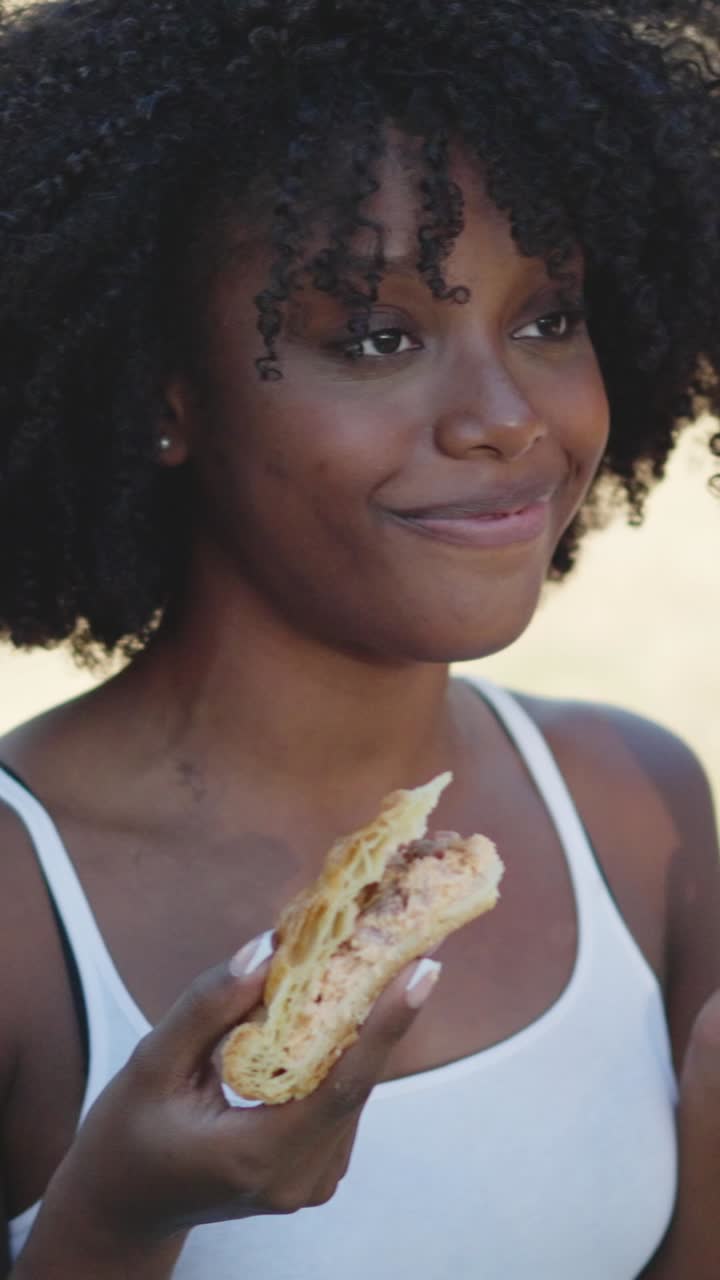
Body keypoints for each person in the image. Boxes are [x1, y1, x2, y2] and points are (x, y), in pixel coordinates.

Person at [0, 1, 719, 1276]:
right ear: (164, 395)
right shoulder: (18, 903)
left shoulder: (640, 810)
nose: (505, 417)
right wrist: (116, 1213)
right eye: (379, 337)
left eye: (548, 315)